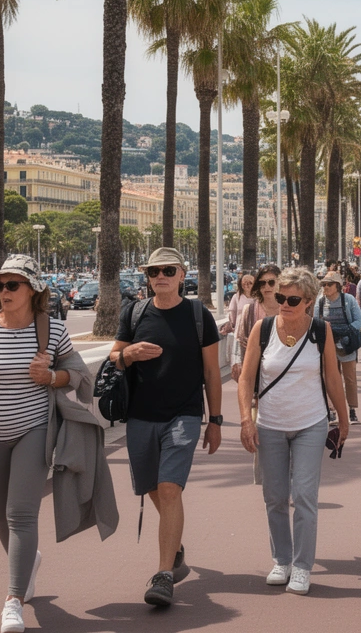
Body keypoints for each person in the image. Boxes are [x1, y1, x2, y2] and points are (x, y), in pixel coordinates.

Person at [0, 255, 89, 633]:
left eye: (12, 285)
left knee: (20, 513)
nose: (3, 292)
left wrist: (51, 375)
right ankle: (28, 563)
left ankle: (13, 601)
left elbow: (77, 376)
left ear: (33, 290)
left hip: (34, 430)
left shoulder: (52, 331)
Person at [109, 247, 223, 607]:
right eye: (154, 271)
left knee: (170, 488)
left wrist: (215, 421)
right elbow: (114, 355)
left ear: (182, 274)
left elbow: (211, 374)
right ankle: (175, 549)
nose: (161, 276)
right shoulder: (135, 312)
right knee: (151, 488)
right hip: (141, 416)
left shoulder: (197, 314)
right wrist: (129, 354)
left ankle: (163, 576)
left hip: (184, 415)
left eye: (168, 270)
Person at [237, 267, 349, 595]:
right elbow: (245, 378)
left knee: (303, 495)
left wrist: (343, 420)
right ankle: (281, 560)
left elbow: (332, 378)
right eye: (280, 297)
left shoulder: (321, 332)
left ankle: (301, 566)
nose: (284, 303)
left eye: (292, 299)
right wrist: (246, 420)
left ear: (309, 301)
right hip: (269, 424)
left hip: (310, 425)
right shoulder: (263, 328)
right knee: (273, 496)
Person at [316, 271, 361, 425]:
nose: (326, 287)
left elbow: (359, 320)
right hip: (328, 344)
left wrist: (347, 331)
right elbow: (316, 321)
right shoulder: (321, 301)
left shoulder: (348, 300)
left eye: (329, 284)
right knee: (329, 378)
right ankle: (332, 410)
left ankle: (352, 410)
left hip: (346, 344)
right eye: (324, 284)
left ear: (337, 286)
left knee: (350, 378)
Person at [233, 265, 283, 381]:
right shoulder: (249, 310)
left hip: (285, 371)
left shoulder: (288, 309)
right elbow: (242, 342)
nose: (266, 287)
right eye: (262, 283)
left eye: (271, 282)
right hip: (257, 373)